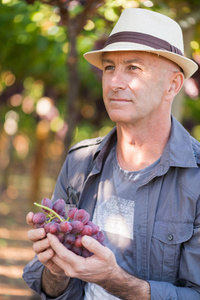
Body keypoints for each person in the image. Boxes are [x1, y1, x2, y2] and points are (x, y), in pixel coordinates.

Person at [23, 7, 200, 300]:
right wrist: (55, 272)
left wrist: (114, 280)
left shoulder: (196, 178)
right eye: (109, 67)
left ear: (173, 84)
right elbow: (56, 292)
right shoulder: (80, 162)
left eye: (133, 68)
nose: (115, 82)